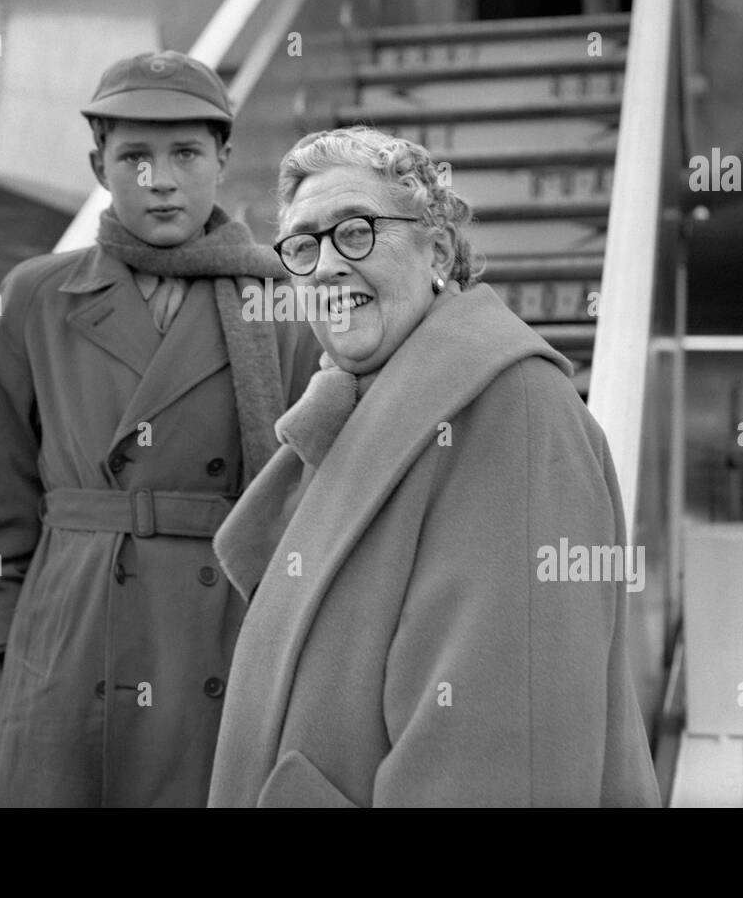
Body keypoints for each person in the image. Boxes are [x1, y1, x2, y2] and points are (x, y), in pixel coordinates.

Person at [207, 125, 661, 807]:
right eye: (302, 246)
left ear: (438, 249)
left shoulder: (511, 412)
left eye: (356, 230)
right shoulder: (374, 401)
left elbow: (504, 759)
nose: (327, 264)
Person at [0, 50, 322, 807]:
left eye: (184, 153)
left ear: (222, 158)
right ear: (98, 165)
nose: (159, 179)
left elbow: (316, 499)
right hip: (69, 638)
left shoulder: (285, 301)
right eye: (134, 156)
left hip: (218, 634)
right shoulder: (37, 297)